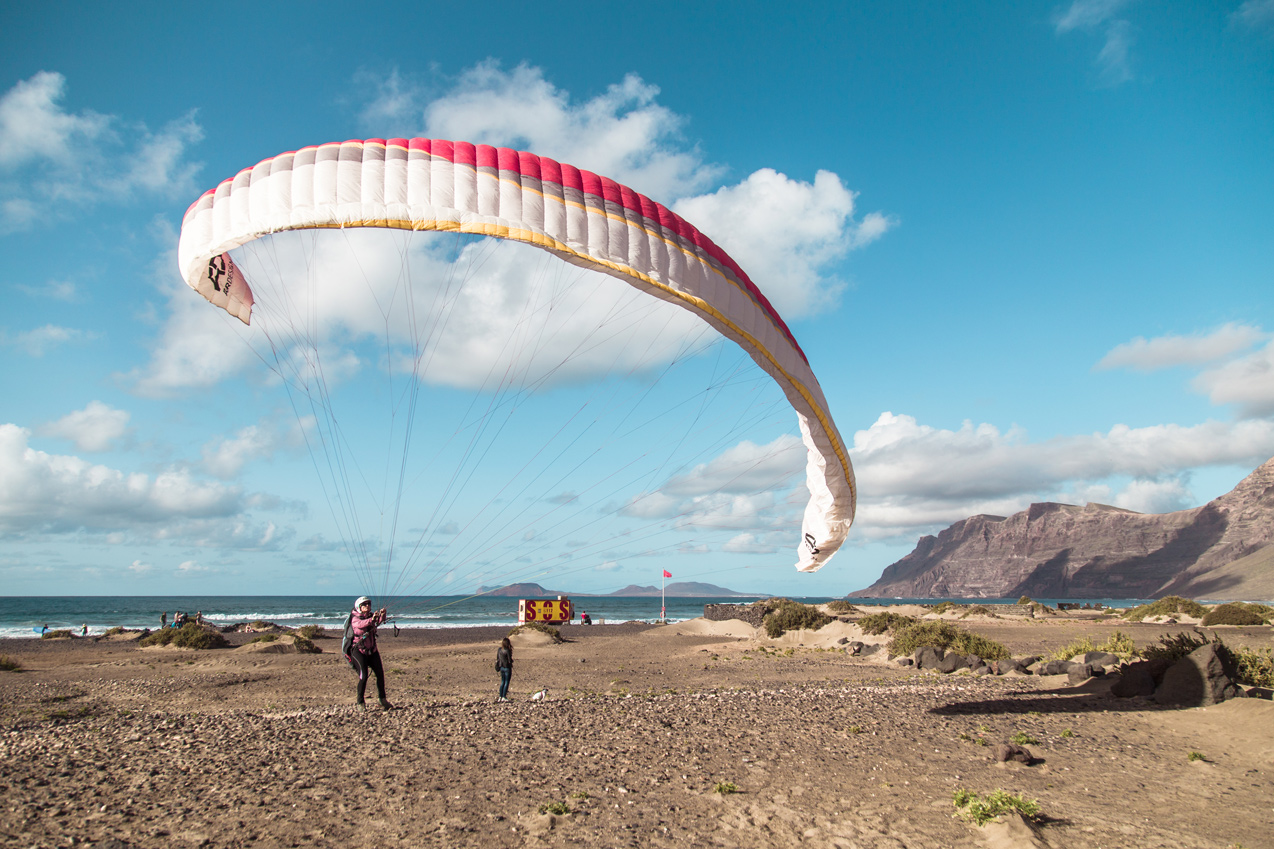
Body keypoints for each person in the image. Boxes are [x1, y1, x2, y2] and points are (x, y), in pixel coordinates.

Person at [349, 596, 392, 711]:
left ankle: (382, 699)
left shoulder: (371, 616)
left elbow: (379, 622)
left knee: (380, 674)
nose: (368, 606)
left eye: (369, 604)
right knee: (363, 676)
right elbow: (361, 625)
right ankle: (360, 702)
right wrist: (372, 619)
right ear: (359, 607)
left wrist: (382, 615)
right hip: (358, 651)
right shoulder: (355, 618)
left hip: (372, 650)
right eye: (365, 605)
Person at [495, 637, 514, 702]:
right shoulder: (507, 650)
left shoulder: (499, 649)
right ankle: (504, 696)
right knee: (506, 682)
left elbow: (498, 658)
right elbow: (509, 660)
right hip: (507, 668)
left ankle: (500, 696)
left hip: (501, 667)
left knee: (502, 681)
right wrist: (511, 661)